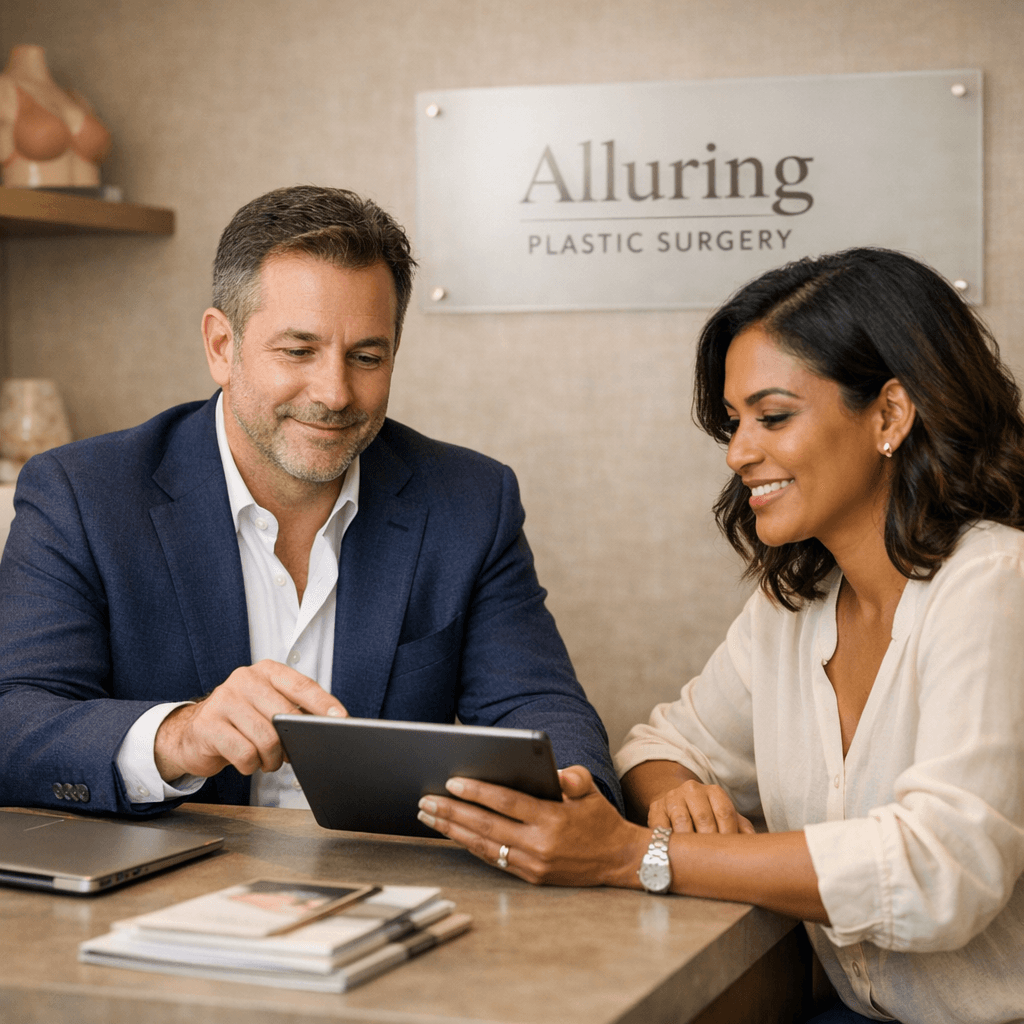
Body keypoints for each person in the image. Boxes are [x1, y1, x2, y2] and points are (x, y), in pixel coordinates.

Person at [416, 249, 1024, 1024]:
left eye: (772, 417)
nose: (739, 452)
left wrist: (636, 856)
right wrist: (681, 797)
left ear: (890, 415)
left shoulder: (995, 581)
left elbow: (944, 871)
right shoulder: (794, 608)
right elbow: (655, 745)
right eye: (734, 423)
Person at [0, 184, 621, 817]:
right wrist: (179, 735)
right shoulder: (82, 494)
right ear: (222, 346)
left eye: (367, 356)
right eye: (299, 351)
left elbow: (539, 705)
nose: (334, 392)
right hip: (163, 884)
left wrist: (573, 799)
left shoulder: (469, 501)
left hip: (388, 889)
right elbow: (15, 721)